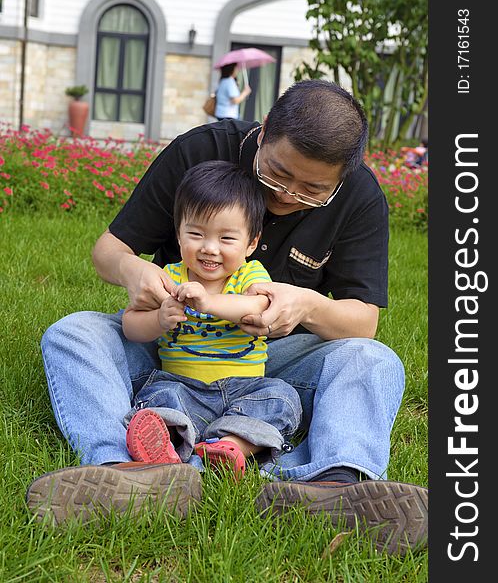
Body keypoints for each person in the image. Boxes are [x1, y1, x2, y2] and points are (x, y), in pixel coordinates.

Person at [28, 80, 428, 555]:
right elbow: (108, 251)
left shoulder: (360, 196)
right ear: (261, 137)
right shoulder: (200, 152)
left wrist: (307, 305)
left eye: (312, 190)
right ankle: (124, 471)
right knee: (73, 333)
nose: (288, 195)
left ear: (342, 178)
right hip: (171, 344)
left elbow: (363, 320)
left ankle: (330, 483)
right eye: (277, 174)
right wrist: (134, 272)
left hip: (268, 362)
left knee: (374, 360)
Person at [122, 160, 302, 477]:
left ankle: (232, 446)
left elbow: (258, 307)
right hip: (183, 386)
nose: (209, 248)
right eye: (196, 233)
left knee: (282, 397)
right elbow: (130, 325)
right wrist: (160, 319)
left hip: (245, 389)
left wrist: (208, 302)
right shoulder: (170, 277)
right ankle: (167, 449)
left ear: (251, 243)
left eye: (226, 239)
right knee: (159, 396)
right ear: (179, 235)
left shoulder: (251, 274)